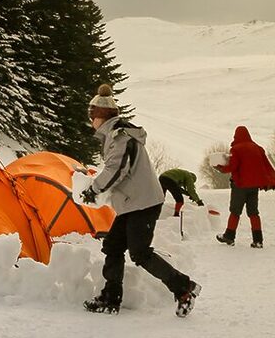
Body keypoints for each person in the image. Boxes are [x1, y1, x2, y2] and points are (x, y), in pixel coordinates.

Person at [81, 85, 201, 317]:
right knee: (113, 246)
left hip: (143, 203)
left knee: (140, 252)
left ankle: (184, 288)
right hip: (132, 202)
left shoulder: (119, 136)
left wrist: (93, 190)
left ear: (100, 116)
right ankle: (111, 298)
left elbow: (116, 169)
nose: (91, 120)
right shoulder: (117, 134)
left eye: (92, 115)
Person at [215, 125, 275, 248]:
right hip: (254, 187)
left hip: (240, 186)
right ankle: (258, 240)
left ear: (237, 136)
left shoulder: (236, 149)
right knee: (253, 213)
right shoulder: (258, 148)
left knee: (235, 211)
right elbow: (266, 166)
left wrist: (220, 168)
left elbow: (232, 167)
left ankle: (229, 236)